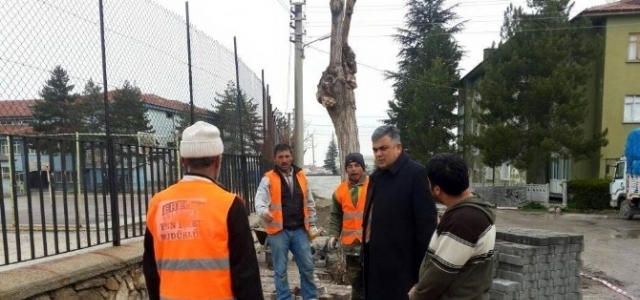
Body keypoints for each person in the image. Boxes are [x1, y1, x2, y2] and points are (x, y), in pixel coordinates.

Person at [142, 121, 263, 300]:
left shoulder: (158, 203)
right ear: (217, 160)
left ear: (183, 161)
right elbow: (246, 275)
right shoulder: (230, 204)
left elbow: (150, 270)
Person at [361, 125, 438, 300]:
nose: (378, 154)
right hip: (375, 268)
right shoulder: (376, 177)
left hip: (403, 272)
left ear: (398, 147)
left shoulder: (416, 174)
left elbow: (426, 228)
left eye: (383, 148)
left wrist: (422, 276)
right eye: (375, 150)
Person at [409, 153, 496, 300]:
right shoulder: (471, 210)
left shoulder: (464, 220)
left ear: (437, 189)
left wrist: (417, 294)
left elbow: (441, 271)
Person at [255, 143, 319, 300]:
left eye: (287, 156)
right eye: (280, 157)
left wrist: (312, 223)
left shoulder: (302, 176)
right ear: (274, 159)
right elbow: (259, 200)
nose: (284, 160)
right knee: (280, 270)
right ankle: (284, 298)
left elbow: (309, 202)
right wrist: (264, 212)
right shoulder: (268, 178)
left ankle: (310, 297)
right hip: (278, 232)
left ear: (292, 157)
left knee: (307, 267)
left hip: (299, 230)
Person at [326, 153, 368, 300]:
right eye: (349, 166)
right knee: (356, 283)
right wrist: (333, 235)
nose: (353, 169)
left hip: (370, 244)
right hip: (351, 247)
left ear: (363, 167)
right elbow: (335, 216)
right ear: (345, 169)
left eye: (357, 165)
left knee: (373, 281)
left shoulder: (374, 187)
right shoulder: (340, 191)